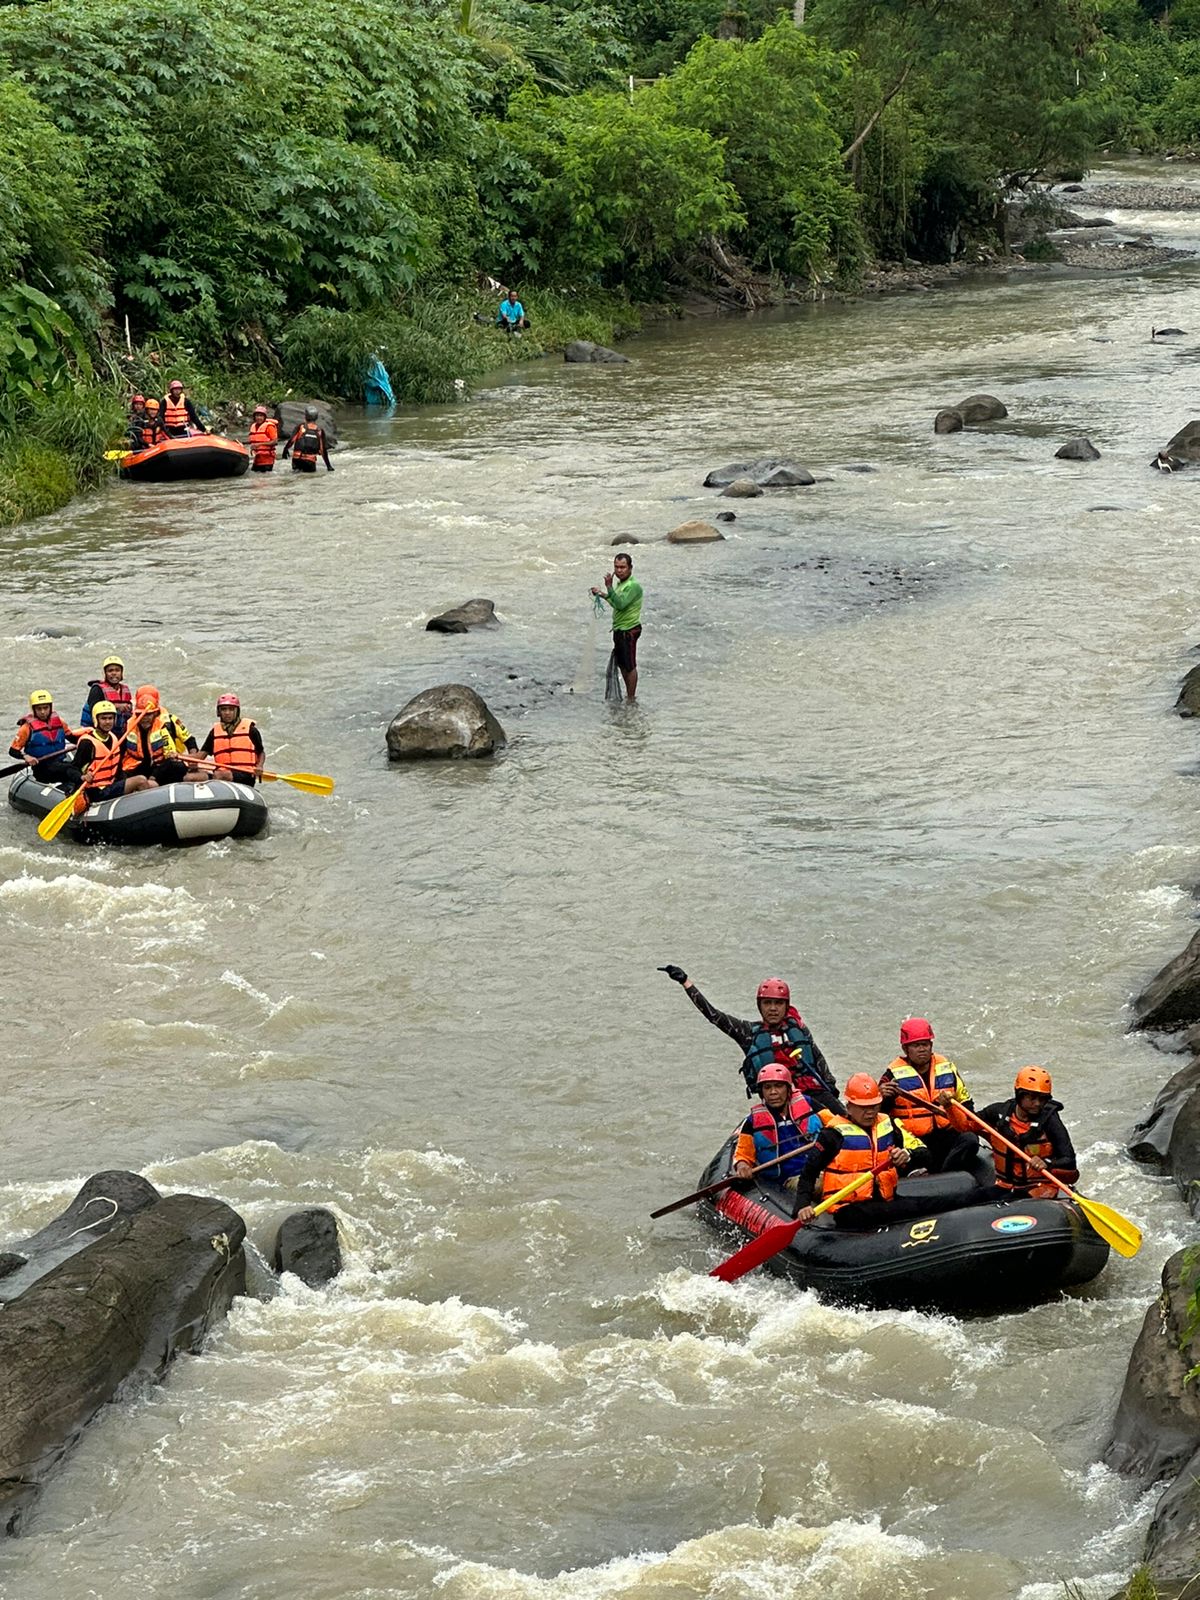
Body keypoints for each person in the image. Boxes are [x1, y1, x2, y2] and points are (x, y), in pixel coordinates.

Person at [791, 1074, 977, 1230]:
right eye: (863, 1107)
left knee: (925, 1204)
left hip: (886, 1200)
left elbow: (924, 1155)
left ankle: (987, 1197)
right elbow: (809, 1172)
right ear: (849, 1107)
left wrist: (907, 1156)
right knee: (900, 1210)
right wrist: (802, 1206)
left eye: (874, 1106)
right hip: (848, 1208)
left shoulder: (888, 1125)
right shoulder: (832, 1135)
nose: (870, 1112)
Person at [659, 965, 839, 1112]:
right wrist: (686, 982)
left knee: (846, 1121)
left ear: (786, 1005)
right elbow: (714, 1015)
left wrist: (831, 1087)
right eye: (767, 1003)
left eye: (778, 1003)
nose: (773, 1009)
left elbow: (817, 1058)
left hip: (814, 1092)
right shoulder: (748, 1033)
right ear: (760, 1006)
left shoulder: (798, 1028)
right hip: (778, 1101)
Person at [948, 1066, 1079, 1202]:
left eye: (1042, 1099)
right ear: (1020, 1095)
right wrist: (949, 1107)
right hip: (1005, 1186)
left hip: (1038, 1189)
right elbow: (964, 1126)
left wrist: (1047, 1162)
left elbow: (1069, 1160)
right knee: (965, 1200)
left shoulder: (1050, 1121)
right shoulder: (998, 1112)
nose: (1037, 1104)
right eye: (1032, 1098)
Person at [880, 1016, 980, 1174]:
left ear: (931, 1045)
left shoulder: (947, 1068)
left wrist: (955, 1111)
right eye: (916, 1045)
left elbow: (967, 1105)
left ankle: (944, 1174)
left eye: (925, 1044)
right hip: (913, 1140)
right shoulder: (891, 1076)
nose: (922, 1049)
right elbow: (880, 1117)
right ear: (906, 1049)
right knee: (915, 1153)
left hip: (944, 1135)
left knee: (970, 1140)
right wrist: (882, 1097)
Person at [731, 1065, 825, 1187]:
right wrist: (742, 1166)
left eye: (778, 1086)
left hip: (820, 1171)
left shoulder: (808, 1103)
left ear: (788, 1088)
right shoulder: (752, 1122)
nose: (773, 1092)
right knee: (819, 1185)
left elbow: (836, 1124)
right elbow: (743, 1154)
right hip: (790, 1179)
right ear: (761, 1092)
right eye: (767, 1087)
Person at [72, 701, 156, 805]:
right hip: (96, 791)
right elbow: (73, 768)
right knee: (141, 780)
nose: (108, 722)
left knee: (153, 785)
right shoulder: (87, 743)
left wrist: (125, 781)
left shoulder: (114, 738)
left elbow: (118, 770)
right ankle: (146, 811)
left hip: (110, 784)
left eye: (110, 718)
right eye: (103, 718)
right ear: (96, 720)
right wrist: (82, 777)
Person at [591, 552, 642, 700]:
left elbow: (620, 604)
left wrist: (609, 587)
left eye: (623, 567)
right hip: (619, 629)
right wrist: (602, 594)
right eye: (616, 567)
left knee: (630, 665)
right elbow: (615, 603)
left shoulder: (633, 586)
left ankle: (631, 698)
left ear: (630, 568)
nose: (619, 570)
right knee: (622, 664)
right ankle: (628, 694)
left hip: (629, 630)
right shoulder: (621, 585)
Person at [120, 686, 196, 785]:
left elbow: (190, 741)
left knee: (177, 766)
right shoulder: (129, 724)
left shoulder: (168, 721)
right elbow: (120, 751)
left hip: (163, 764)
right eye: (140, 714)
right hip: (137, 766)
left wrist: (193, 760)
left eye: (148, 714)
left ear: (155, 712)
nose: (144, 718)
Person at [10, 691, 79, 788]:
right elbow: (13, 751)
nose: (43, 712)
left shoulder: (60, 722)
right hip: (41, 768)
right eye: (39, 709)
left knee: (75, 768)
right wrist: (26, 756)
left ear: (50, 707)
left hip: (59, 763)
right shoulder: (26, 728)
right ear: (33, 709)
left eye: (45, 708)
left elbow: (72, 738)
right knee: (69, 769)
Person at [200, 693, 264, 785]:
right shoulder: (214, 732)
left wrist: (260, 766)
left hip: (245, 774)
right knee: (192, 777)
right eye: (224, 709)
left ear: (237, 711)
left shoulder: (251, 730)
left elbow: (261, 752)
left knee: (220, 775)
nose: (227, 713)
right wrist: (178, 757)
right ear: (219, 712)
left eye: (231, 709)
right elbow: (201, 755)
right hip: (221, 774)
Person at [80, 655, 133, 735]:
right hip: (98, 732)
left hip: (120, 733)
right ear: (105, 673)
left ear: (121, 673)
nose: (114, 673)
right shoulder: (97, 689)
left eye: (117, 670)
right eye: (110, 671)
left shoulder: (125, 689)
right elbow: (94, 710)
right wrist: (117, 706)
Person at [282, 407, 334, 473]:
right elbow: (322, 450)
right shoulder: (319, 431)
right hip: (310, 461)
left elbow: (291, 441)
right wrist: (328, 466)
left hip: (297, 460)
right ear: (316, 417)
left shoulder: (300, 427)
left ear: (305, 416)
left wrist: (285, 450)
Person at [247, 404, 279, 472]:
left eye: (261, 416)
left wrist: (259, 445)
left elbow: (275, 441)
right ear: (254, 417)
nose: (259, 418)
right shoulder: (253, 426)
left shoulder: (269, 426)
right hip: (257, 459)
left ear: (264, 417)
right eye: (257, 415)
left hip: (267, 460)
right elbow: (253, 441)